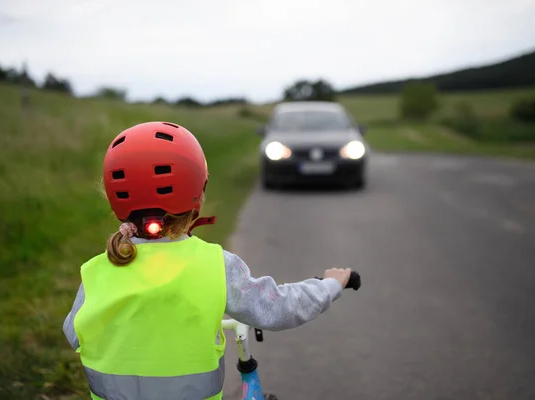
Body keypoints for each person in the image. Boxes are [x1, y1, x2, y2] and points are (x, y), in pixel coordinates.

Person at [62, 121, 352, 400]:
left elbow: (73, 332)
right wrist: (330, 285)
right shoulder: (215, 265)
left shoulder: (98, 270)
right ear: (197, 194)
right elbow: (279, 308)